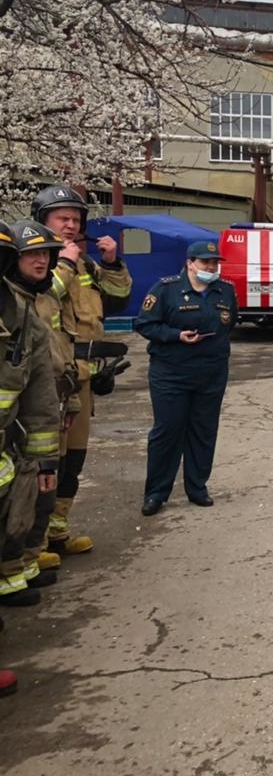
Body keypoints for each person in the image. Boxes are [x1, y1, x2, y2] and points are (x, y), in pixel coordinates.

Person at [32, 184, 132, 557]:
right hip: (50, 380)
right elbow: (42, 300)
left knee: (74, 458)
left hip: (83, 375)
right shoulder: (37, 262)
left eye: (76, 219)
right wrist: (65, 262)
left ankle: (58, 531)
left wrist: (110, 264)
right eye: (63, 218)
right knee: (47, 460)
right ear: (43, 221)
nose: (71, 225)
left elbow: (119, 302)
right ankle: (34, 541)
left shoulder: (86, 264)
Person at [134, 240, 238, 516]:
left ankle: (197, 487)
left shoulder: (225, 291)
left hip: (212, 373)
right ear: (190, 263)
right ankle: (156, 492)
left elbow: (231, 324)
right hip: (171, 373)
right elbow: (144, 323)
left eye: (215, 262)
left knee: (203, 431)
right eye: (205, 262)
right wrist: (175, 336)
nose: (211, 267)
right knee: (168, 431)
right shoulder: (166, 289)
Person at [3, 222, 81, 583]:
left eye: (46, 254)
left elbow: (54, 358)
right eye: (31, 253)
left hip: (39, 415)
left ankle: (22, 567)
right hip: (16, 423)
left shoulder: (26, 307)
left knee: (35, 492)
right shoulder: (15, 304)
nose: (41, 260)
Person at [0, 221, 63, 610]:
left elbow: (40, 395)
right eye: (32, 253)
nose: (41, 260)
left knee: (15, 514)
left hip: (10, 443)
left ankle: (11, 576)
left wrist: (44, 462)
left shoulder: (22, 318)